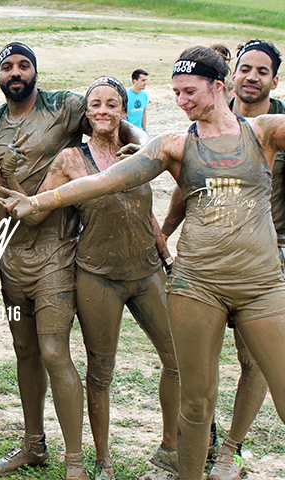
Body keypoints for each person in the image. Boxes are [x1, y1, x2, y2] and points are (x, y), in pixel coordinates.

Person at [0, 45, 285, 480]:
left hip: (260, 284)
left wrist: (161, 234)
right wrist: (37, 200)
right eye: (176, 92)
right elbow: (104, 181)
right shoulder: (173, 144)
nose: (181, 101)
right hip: (196, 283)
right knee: (196, 403)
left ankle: (216, 451)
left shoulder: (264, 132)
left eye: (189, 92)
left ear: (218, 86)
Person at [0, 41, 148, 479]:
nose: (15, 73)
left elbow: (113, 121)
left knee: (54, 352)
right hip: (12, 252)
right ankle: (33, 445)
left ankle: (75, 462)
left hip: (56, 249)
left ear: (35, 70)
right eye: (7, 67)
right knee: (24, 351)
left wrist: (143, 147)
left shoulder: (65, 106)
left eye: (24, 65)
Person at [14, 75, 178, 479]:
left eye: (111, 104)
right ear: (86, 113)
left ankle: (171, 447)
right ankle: (102, 460)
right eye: (95, 104)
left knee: (177, 360)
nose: (102, 111)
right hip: (97, 277)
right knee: (100, 373)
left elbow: (145, 211)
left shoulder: (140, 151)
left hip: (146, 272)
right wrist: (10, 183)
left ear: (124, 110)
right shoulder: (71, 159)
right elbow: (36, 213)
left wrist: (165, 253)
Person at [160, 39, 282, 480]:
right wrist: (165, 231)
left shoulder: (272, 127)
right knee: (199, 382)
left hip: (267, 260)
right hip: (207, 268)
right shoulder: (201, 125)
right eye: (245, 68)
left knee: (256, 362)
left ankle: (232, 449)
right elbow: (191, 187)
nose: (252, 77)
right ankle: (200, 449)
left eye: (262, 71)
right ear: (231, 76)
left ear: (273, 80)